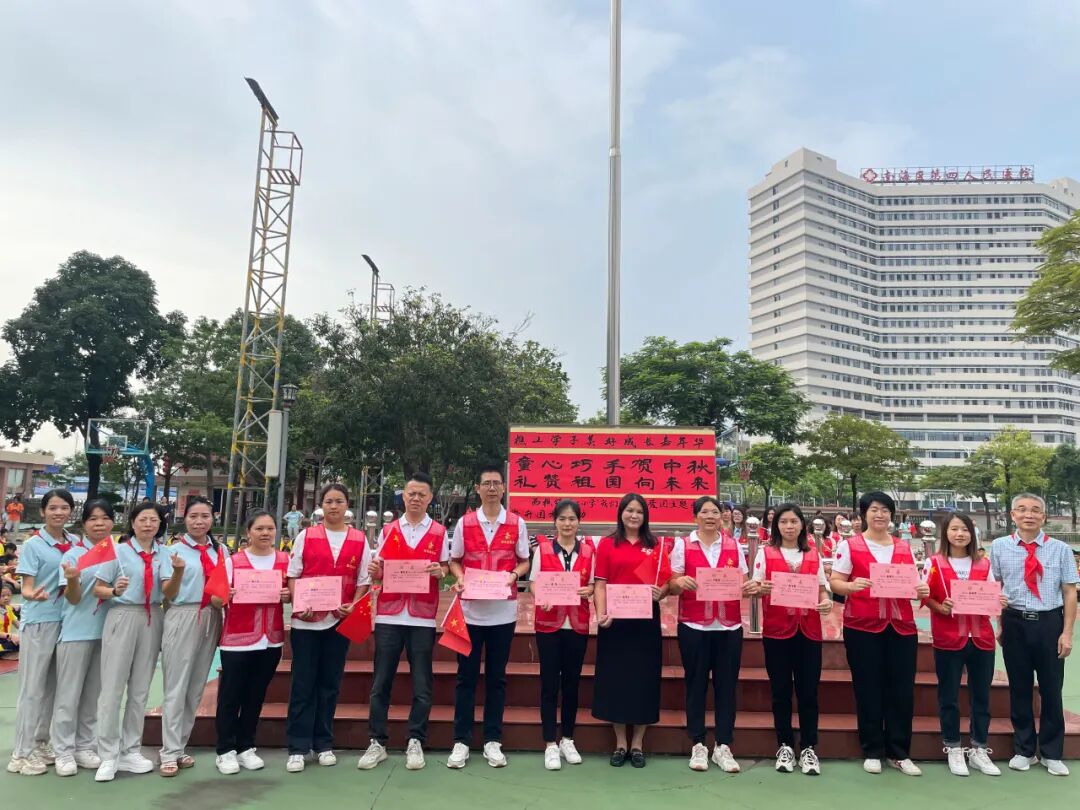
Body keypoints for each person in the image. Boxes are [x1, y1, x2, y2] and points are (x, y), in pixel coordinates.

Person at [829, 491, 929, 777]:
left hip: (901, 626)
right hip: (863, 626)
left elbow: (914, 585)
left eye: (885, 510)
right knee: (867, 687)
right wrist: (851, 587)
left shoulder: (903, 547)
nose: (880, 515)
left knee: (901, 689)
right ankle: (872, 749)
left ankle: (899, 752)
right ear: (864, 514)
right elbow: (836, 582)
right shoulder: (850, 546)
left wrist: (921, 590)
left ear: (892, 515)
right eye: (874, 509)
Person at [359, 472, 450, 772]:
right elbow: (379, 568)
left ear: (430, 498)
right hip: (389, 614)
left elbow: (445, 567)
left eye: (421, 494)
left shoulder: (439, 532)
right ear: (404, 496)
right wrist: (375, 571)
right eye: (411, 493)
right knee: (381, 681)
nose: (416, 498)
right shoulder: (388, 530)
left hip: (422, 617)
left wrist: (440, 572)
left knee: (422, 683)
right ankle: (377, 741)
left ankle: (415, 739)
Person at [446, 465, 530, 769]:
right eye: (487, 484)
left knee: (496, 679)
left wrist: (513, 575)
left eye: (497, 483)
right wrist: (460, 578)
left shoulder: (517, 523)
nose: (492, 488)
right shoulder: (465, 523)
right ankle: (461, 741)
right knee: (465, 679)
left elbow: (524, 561)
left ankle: (493, 740)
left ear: (504, 489)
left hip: (503, 615)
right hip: (469, 614)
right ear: (478, 489)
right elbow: (454, 560)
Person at [285, 483, 371, 773]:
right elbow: (293, 575)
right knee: (302, 684)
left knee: (329, 684)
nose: (334, 506)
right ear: (321, 506)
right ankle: (298, 747)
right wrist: (300, 604)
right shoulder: (306, 536)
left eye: (339, 501)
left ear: (348, 505)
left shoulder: (359, 539)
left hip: (338, 620)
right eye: (329, 501)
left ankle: (323, 744)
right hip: (306, 623)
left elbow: (363, 579)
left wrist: (354, 605)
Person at [990, 493, 1078, 777]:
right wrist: (999, 621)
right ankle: (1024, 749)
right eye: (1022, 509)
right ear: (1012, 515)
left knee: (1051, 688)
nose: (1029, 515)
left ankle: (1052, 753)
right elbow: (995, 586)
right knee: (1020, 687)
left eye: (1035, 510)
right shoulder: (1000, 547)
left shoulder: (1060, 549)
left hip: (1049, 623)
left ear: (1044, 516)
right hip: (1014, 622)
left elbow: (1070, 592)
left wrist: (1067, 633)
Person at [668, 496, 750, 773]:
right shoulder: (683, 545)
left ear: (722, 516)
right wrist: (679, 582)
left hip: (728, 627)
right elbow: (672, 583)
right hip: (694, 626)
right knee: (696, 685)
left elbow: (743, 582)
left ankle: (723, 745)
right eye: (704, 512)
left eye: (715, 512)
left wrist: (751, 587)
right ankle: (698, 743)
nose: (711, 516)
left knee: (726, 687)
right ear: (695, 517)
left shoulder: (733, 545)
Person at [751, 503, 831, 775]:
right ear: (776, 526)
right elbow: (755, 587)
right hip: (777, 632)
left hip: (808, 631)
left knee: (809, 692)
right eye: (783, 521)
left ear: (802, 525)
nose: (788, 526)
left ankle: (808, 747)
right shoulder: (765, 553)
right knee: (780, 691)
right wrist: (761, 588)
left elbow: (822, 590)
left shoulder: (813, 554)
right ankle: (784, 745)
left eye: (794, 521)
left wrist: (825, 602)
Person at [92, 501, 168, 782]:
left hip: (152, 616)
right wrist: (114, 590)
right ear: (133, 523)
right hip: (122, 614)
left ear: (160, 525)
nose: (148, 524)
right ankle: (108, 754)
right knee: (112, 688)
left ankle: (131, 750)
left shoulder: (166, 554)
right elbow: (97, 588)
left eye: (153, 520)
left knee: (140, 689)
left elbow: (169, 588)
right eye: (143, 519)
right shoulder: (117, 551)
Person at [924, 512, 1004, 777]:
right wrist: (940, 606)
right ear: (945, 533)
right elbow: (925, 595)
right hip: (948, 639)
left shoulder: (984, 564)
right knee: (948, 696)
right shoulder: (934, 563)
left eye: (965, 529)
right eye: (954, 529)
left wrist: (998, 601)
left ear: (972, 534)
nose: (960, 534)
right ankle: (953, 747)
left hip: (981, 638)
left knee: (981, 696)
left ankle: (979, 748)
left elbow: (993, 596)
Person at [592, 493, 667, 768]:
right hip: (615, 621)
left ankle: (637, 744)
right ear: (621, 513)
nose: (634, 516)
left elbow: (666, 581)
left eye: (639, 511)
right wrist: (601, 613)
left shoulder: (656, 545)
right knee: (616, 680)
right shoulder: (607, 544)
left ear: (645, 516)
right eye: (629, 510)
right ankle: (620, 743)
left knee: (644, 680)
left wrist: (662, 591)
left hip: (646, 621)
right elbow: (600, 584)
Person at [214, 509, 290, 775]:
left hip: (271, 640)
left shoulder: (285, 560)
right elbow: (214, 598)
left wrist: (288, 595)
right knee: (231, 695)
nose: (265, 533)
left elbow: (294, 593)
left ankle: (246, 746)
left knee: (256, 695)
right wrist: (227, 594)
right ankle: (225, 749)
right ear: (248, 532)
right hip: (238, 639)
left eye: (270, 528)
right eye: (259, 529)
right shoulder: (233, 562)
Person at [8, 488, 78, 775]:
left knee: (52, 688)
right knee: (32, 689)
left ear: (71, 511)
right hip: (39, 621)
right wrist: (31, 595)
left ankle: (40, 742)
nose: (58, 512)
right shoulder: (33, 545)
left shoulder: (75, 543)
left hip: (67, 622)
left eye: (64, 508)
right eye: (53, 508)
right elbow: (26, 586)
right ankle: (20, 754)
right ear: (43, 512)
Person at [157, 496, 228, 776]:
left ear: (213, 518)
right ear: (184, 519)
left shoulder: (221, 551)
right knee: (176, 685)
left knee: (196, 685)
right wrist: (177, 573)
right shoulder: (172, 552)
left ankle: (180, 746)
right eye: (193, 516)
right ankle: (168, 751)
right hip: (183, 614)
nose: (199, 522)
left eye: (205, 516)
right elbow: (168, 593)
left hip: (212, 616)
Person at [528, 499, 594, 771]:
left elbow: (593, 585)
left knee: (571, 684)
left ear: (579, 522)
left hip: (577, 624)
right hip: (549, 625)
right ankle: (549, 743)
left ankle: (568, 738)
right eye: (562, 519)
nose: (567, 524)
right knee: (549, 684)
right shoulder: (543, 550)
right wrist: (540, 596)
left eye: (572, 519)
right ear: (555, 522)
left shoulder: (588, 551)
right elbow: (533, 582)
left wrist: (589, 591)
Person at [52, 499, 115, 777]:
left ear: (112, 522)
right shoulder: (73, 555)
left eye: (104, 518)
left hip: (108, 633)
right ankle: (63, 751)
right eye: (93, 519)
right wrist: (72, 579)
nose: (99, 523)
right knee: (68, 695)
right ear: (84, 524)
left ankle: (85, 746)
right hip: (76, 632)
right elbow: (74, 599)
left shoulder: (118, 554)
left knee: (92, 695)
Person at [0, 583, 19, 659]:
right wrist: (10, 636)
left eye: (9, 595)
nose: (6, 598)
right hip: (4, 638)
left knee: (23, 641)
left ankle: (7, 653)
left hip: (5, 639)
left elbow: (18, 625)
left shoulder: (8, 609)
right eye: (2, 595)